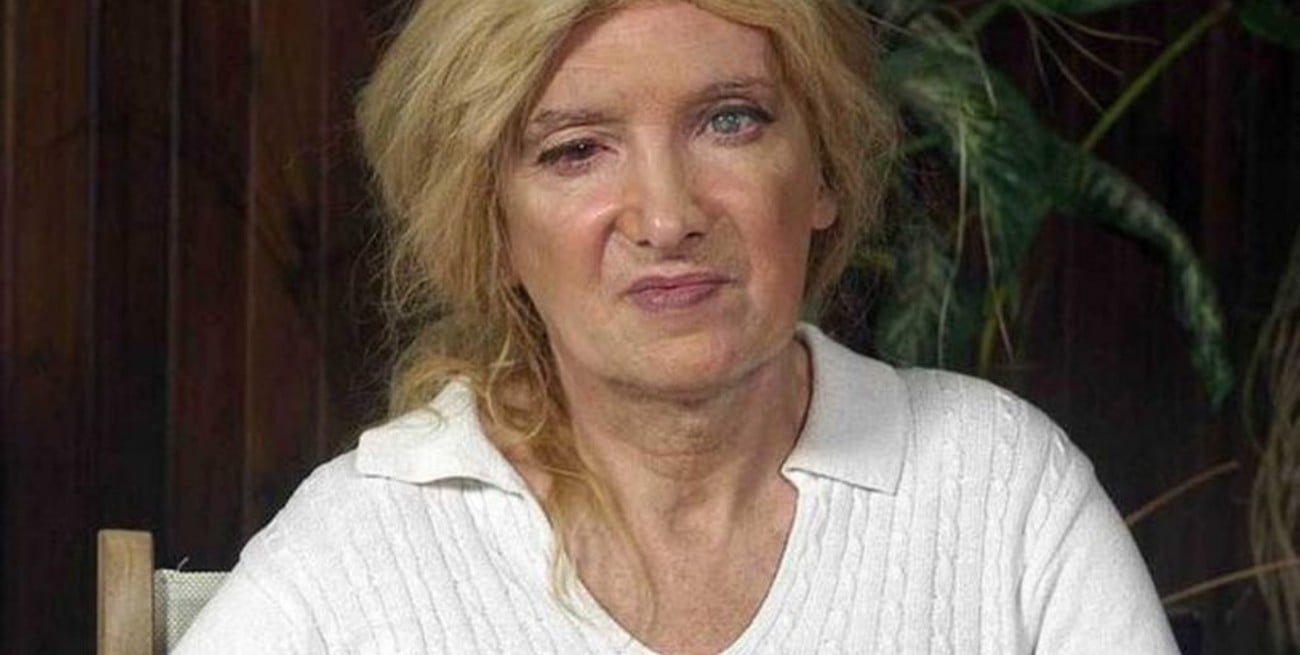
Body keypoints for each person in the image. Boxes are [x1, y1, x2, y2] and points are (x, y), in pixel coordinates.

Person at [175, 1, 1178, 653]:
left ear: (823, 172)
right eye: (576, 149)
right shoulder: (359, 551)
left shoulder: (999, 492)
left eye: (729, 120)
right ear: (491, 224)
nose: (667, 217)